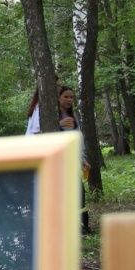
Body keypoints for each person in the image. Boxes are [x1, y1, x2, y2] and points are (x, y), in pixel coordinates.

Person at [55, 85, 92, 234]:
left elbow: (78, 139)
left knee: (79, 193)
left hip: (73, 161)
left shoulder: (73, 116)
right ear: (58, 98)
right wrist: (58, 125)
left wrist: (83, 159)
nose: (69, 100)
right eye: (66, 96)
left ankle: (83, 226)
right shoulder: (52, 116)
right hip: (59, 163)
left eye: (71, 97)